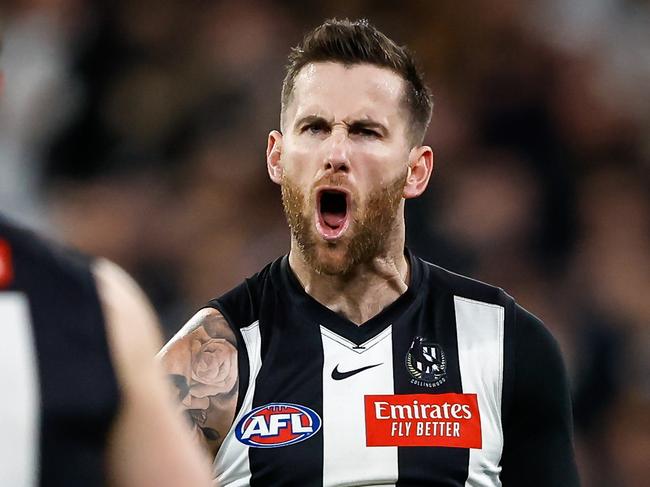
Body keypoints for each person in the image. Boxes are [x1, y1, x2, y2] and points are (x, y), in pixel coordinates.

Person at [159, 18, 580, 486]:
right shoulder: (208, 360)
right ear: (276, 158)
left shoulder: (505, 345)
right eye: (315, 127)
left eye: (365, 132)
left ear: (415, 171)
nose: (336, 152)